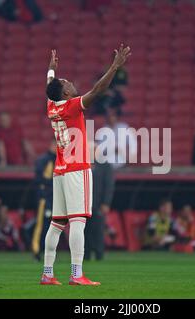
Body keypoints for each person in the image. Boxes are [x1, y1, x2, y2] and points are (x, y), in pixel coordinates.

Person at [41, 45, 131, 286]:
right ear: (66, 93)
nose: (70, 82)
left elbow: (50, 88)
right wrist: (114, 67)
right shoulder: (71, 106)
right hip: (77, 169)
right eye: (67, 82)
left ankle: (48, 274)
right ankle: (76, 273)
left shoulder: (52, 106)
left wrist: (51, 70)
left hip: (60, 171)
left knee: (57, 224)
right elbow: (99, 90)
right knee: (78, 221)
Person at [24, 139, 57, 261]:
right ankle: (36, 250)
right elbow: (39, 179)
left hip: (54, 198)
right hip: (44, 198)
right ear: (52, 145)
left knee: (52, 226)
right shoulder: (43, 160)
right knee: (40, 224)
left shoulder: (58, 160)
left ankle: (49, 250)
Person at [85, 143, 115, 261]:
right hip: (85, 204)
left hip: (98, 205)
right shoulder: (83, 165)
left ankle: (99, 255)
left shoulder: (105, 166)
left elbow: (109, 186)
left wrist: (106, 203)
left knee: (98, 231)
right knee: (85, 231)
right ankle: (85, 255)